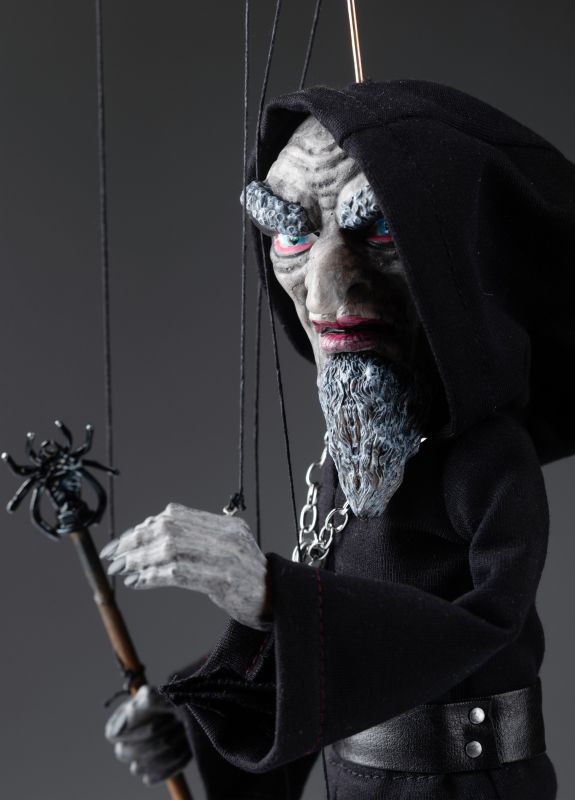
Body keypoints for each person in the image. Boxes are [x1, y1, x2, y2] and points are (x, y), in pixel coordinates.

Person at [100, 80, 575, 799]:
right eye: (293, 235)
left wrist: (273, 595)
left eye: (379, 230)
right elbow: (319, 671)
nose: (325, 291)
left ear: (449, 256)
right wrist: (195, 725)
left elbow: (480, 629)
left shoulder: (487, 461)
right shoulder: (342, 463)